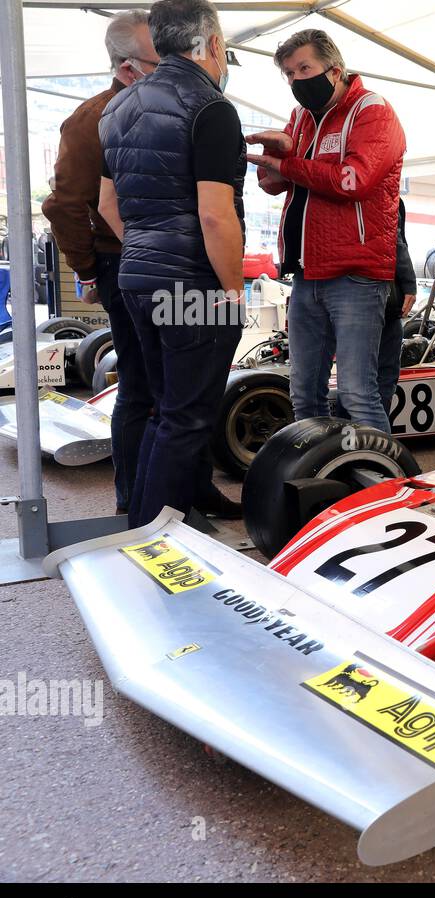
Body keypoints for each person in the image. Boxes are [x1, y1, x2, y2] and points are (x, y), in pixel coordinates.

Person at [98, 0, 245, 528]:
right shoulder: (210, 106)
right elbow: (214, 215)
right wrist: (232, 290)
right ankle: (149, 542)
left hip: (137, 275)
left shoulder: (116, 108)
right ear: (211, 43)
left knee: (166, 413)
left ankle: (145, 528)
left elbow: (106, 205)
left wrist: (147, 248)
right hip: (193, 283)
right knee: (186, 419)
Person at [245, 28, 406, 434]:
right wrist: (276, 156)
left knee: (356, 393)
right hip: (305, 273)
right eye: (288, 73)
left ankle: (384, 489)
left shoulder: (373, 111)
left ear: (335, 70)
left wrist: (288, 165)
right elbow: (275, 184)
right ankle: (315, 477)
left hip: (356, 274)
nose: (296, 79)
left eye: (304, 68)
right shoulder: (300, 118)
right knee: (302, 391)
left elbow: (355, 180)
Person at [42, 11, 157, 515]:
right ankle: (134, 500)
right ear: (129, 66)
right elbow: (62, 204)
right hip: (124, 266)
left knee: (179, 388)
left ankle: (182, 489)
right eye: (162, 58)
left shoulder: (161, 108)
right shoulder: (91, 119)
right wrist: (88, 270)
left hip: (163, 265)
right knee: (141, 384)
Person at [378, 199, 417, 413]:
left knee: (356, 380)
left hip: (344, 298)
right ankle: (375, 442)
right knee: (383, 375)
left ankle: (349, 440)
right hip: (384, 302)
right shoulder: (388, 195)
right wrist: (409, 283)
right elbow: (396, 239)